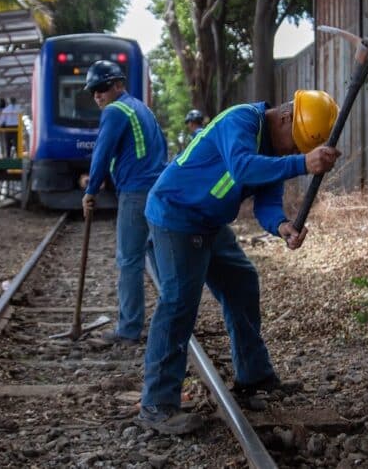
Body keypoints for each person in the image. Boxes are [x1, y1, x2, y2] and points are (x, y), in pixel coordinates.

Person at [138, 91, 342, 434]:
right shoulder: (241, 120)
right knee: (178, 302)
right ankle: (157, 404)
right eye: (294, 146)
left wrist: (281, 226)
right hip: (176, 214)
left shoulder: (275, 149)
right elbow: (243, 165)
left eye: (297, 152)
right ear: (285, 118)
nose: (293, 153)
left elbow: (267, 201)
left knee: (242, 283)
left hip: (209, 222)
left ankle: (254, 376)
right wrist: (303, 163)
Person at [81, 60, 168, 347]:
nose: (97, 95)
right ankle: (173, 317)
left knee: (129, 259)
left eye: (102, 88)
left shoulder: (115, 110)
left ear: (118, 85)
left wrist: (91, 189)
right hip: (157, 189)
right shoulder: (141, 107)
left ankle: (129, 328)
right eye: (93, 90)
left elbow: (102, 152)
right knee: (157, 257)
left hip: (135, 192)